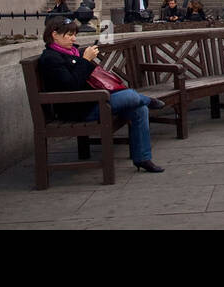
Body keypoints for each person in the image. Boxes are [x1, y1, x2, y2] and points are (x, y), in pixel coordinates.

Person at [38, 15, 164, 173]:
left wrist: (85, 59)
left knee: (139, 109)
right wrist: (85, 60)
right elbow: (71, 85)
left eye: (74, 34)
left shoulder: (73, 52)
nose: (73, 38)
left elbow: (87, 77)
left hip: (94, 100)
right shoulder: (51, 58)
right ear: (54, 35)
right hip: (79, 109)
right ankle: (148, 100)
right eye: (69, 35)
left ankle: (143, 159)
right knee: (132, 97)